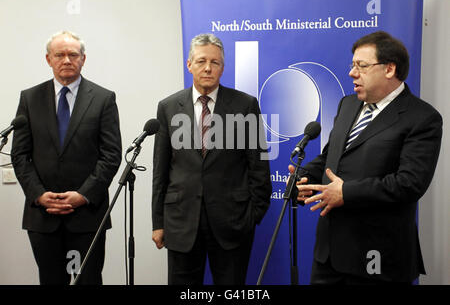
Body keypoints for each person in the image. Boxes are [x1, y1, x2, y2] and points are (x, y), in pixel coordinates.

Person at [292, 31, 442, 284]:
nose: (352, 73)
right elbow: (332, 155)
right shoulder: (347, 104)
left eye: (361, 66)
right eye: (352, 65)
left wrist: (346, 192)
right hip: (328, 257)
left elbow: (409, 183)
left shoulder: (422, 118)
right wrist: (305, 175)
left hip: (378, 259)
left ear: (389, 69)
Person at [152, 33, 272, 285]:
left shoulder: (245, 105)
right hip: (181, 223)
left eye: (215, 62)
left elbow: (259, 166)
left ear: (223, 67)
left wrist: (252, 216)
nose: (208, 68)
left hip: (232, 224)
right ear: (189, 65)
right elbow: (160, 171)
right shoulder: (168, 107)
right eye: (201, 61)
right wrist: (158, 223)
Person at [11, 31, 122, 285]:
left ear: (83, 59)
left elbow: (111, 154)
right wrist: (38, 194)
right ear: (48, 59)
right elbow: (19, 155)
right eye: (59, 55)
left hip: (87, 216)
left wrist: (83, 195)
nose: (67, 60)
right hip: (43, 215)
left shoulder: (103, 98)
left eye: (73, 54)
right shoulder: (30, 98)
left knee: (87, 280)